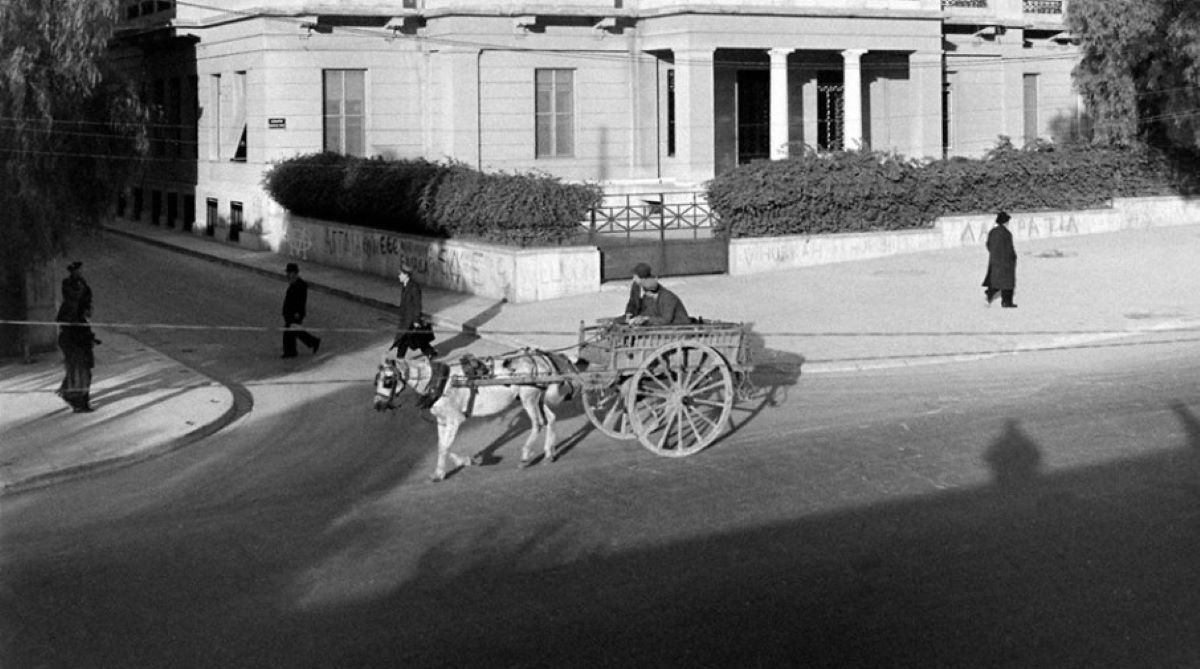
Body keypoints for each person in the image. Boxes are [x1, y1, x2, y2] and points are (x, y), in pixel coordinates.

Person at [56, 261, 99, 412]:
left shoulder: (80, 286)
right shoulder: (72, 291)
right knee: (80, 372)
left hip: (78, 340)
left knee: (80, 371)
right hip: (75, 342)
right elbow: (74, 299)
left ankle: (77, 398)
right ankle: (78, 401)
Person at [390, 264, 438, 358]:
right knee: (416, 339)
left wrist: (416, 320)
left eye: (400, 274)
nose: (399, 276)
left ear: (406, 275)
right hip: (405, 318)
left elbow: (417, 305)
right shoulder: (405, 285)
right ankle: (430, 351)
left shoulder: (414, 287)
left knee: (404, 339)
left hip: (410, 319)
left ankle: (399, 359)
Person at [281, 262, 321, 358]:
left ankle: (291, 351)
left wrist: (298, 313)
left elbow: (301, 301)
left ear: (294, 273)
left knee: (290, 331)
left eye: (289, 272)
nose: (287, 275)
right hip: (290, 312)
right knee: (294, 331)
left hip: (295, 313)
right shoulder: (293, 282)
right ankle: (310, 343)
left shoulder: (301, 285)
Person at [982, 211, 1018, 308]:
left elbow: (988, 245)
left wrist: (994, 254)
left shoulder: (992, 232)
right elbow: (1010, 249)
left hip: (995, 260)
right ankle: (1007, 302)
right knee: (1008, 283)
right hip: (1006, 262)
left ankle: (989, 295)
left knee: (995, 281)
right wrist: (1013, 257)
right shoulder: (1006, 233)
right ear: (1005, 222)